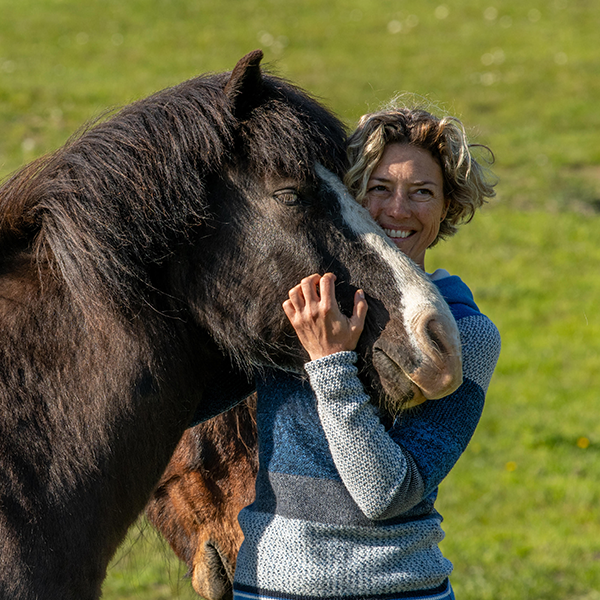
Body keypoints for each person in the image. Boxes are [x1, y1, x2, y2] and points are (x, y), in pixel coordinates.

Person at [232, 105, 501, 600]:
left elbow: (387, 496)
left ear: (448, 207)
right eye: (379, 188)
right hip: (268, 586)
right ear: (349, 196)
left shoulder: (465, 335)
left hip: (402, 590)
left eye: (422, 192)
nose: (398, 210)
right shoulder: (295, 305)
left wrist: (330, 364)